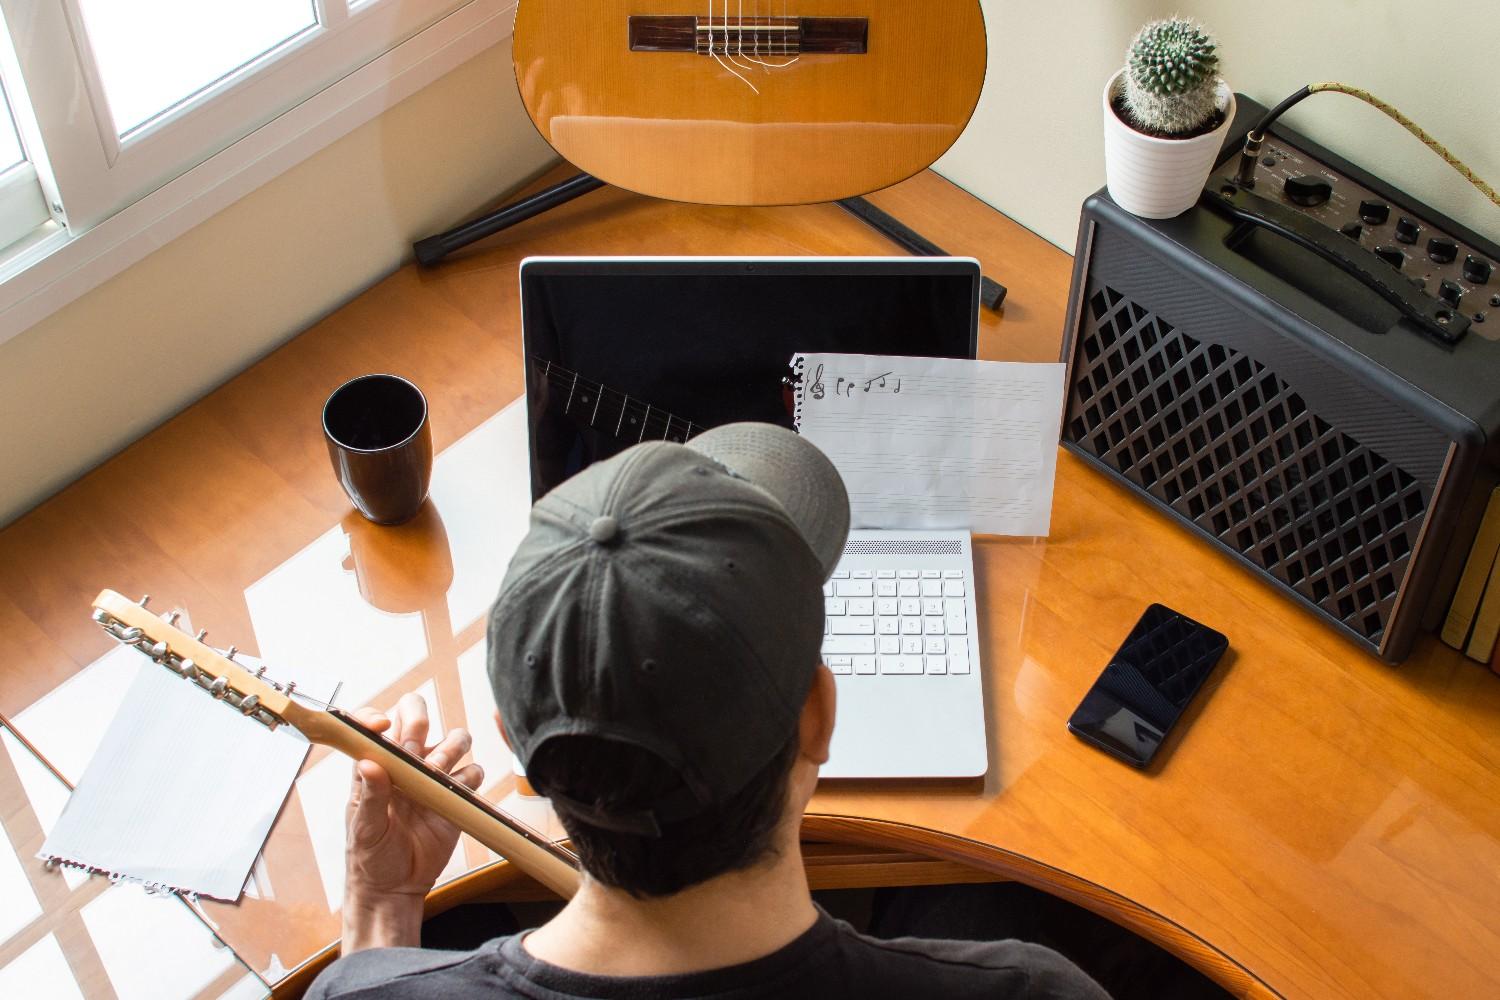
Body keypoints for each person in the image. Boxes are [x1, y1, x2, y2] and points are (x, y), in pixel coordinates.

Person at [307, 423, 1109, 999]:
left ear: (517, 742)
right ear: (819, 716)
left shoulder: (365, 994)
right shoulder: (1035, 991)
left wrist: (381, 909)